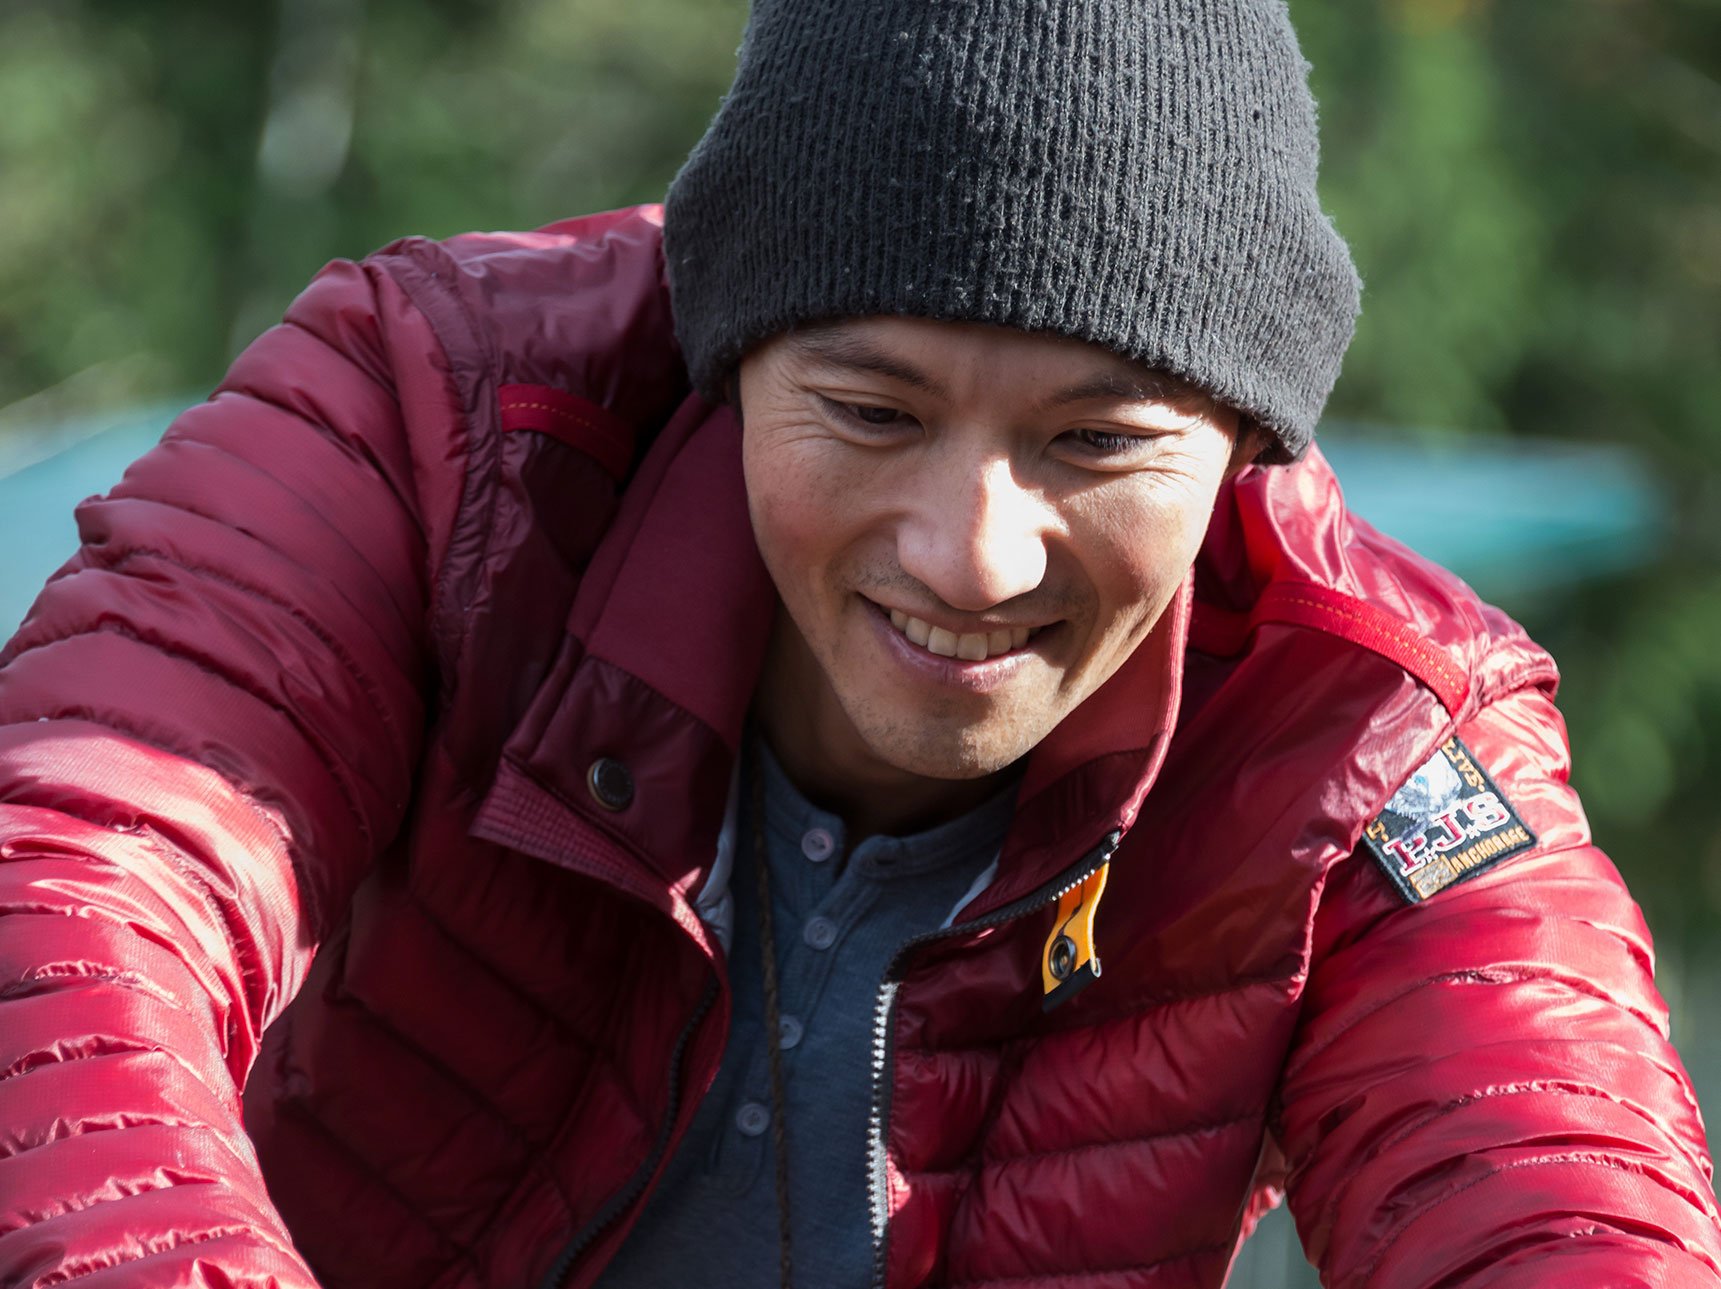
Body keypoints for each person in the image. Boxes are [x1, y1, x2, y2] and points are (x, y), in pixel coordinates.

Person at [1, 0, 1717, 1286]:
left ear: (1245, 444)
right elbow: (71, 886)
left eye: (1095, 441)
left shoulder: (1373, 722)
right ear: (728, 347)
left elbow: (1560, 1192)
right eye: (872, 411)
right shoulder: (433, 432)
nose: (969, 553)